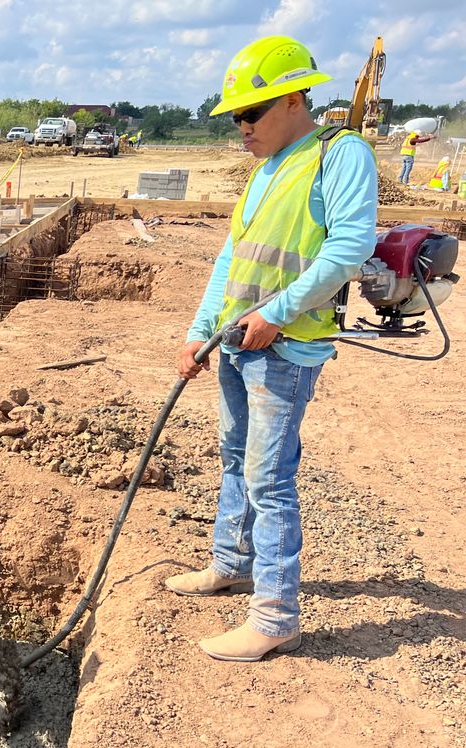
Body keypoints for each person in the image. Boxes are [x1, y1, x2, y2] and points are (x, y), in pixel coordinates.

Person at [168, 36, 378, 662]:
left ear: (291, 99)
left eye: (249, 114)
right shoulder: (265, 171)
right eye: (235, 117)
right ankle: (232, 564)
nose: (241, 128)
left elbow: (348, 249)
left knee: (269, 478)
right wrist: (199, 332)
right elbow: (232, 259)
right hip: (237, 342)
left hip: (285, 351)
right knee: (235, 458)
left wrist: (279, 315)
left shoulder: (339, 157)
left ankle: (276, 616)